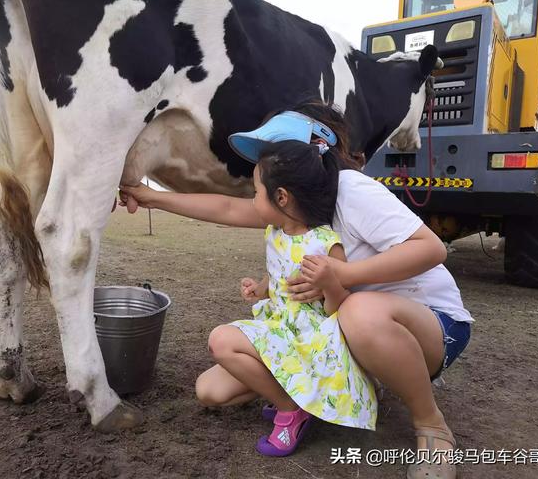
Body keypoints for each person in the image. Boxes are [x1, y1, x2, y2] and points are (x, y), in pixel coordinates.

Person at [120, 101, 473, 478]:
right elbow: (225, 207)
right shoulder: (298, 209)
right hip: (342, 329)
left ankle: (432, 426)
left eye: (277, 152)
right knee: (213, 390)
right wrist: (149, 195)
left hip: (430, 327)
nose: (271, 163)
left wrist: (340, 276)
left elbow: (432, 248)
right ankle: (303, 402)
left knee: (358, 312)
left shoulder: (352, 190)